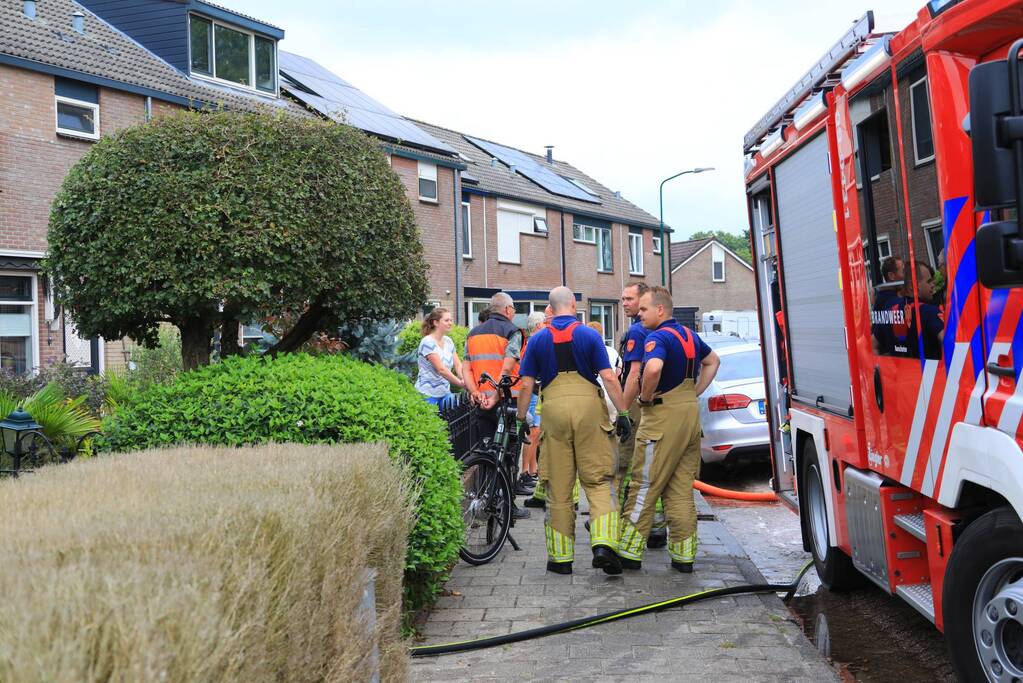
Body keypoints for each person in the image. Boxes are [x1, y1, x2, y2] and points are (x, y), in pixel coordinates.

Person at [517, 287, 627, 575]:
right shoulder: (589, 335)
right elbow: (608, 377)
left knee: (558, 486)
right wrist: (624, 412)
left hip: (553, 410)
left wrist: (520, 418)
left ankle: (561, 559)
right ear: (574, 305)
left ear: (550, 308)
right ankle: (603, 545)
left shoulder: (538, 339)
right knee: (599, 480)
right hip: (589, 409)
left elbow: (526, 384)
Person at [618, 286, 720, 573]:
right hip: (689, 417)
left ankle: (628, 552)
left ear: (660, 310)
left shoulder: (657, 337)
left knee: (644, 484)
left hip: (662, 419)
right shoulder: (689, 335)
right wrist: (695, 392)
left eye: (644, 309)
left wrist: (645, 398)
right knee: (680, 491)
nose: (639, 315)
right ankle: (684, 557)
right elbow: (713, 361)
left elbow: (652, 369)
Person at [463, 292, 528, 518]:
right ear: (508, 309)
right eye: (514, 309)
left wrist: (475, 392)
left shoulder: (473, 334)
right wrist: (497, 395)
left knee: (486, 451)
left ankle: (485, 498)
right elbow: (508, 368)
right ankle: (508, 505)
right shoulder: (512, 331)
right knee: (509, 454)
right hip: (506, 402)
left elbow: (466, 368)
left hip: (481, 402)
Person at [517, 312, 546, 492]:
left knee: (536, 434)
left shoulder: (532, 342)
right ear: (538, 326)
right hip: (534, 392)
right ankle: (526, 472)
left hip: (535, 391)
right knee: (533, 433)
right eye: (544, 324)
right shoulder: (534, 343)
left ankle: (532, 470)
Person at [415, 308, 464, 406]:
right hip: (427, 394)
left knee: (456, 410)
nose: (450, 323)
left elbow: (458, 364)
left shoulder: (448, 341)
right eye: (446, 320)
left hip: (445, 393)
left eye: (451, 320)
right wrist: (460, 383)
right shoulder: (427, 342)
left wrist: (464, 379)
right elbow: (441, 370)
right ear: (436, 322)